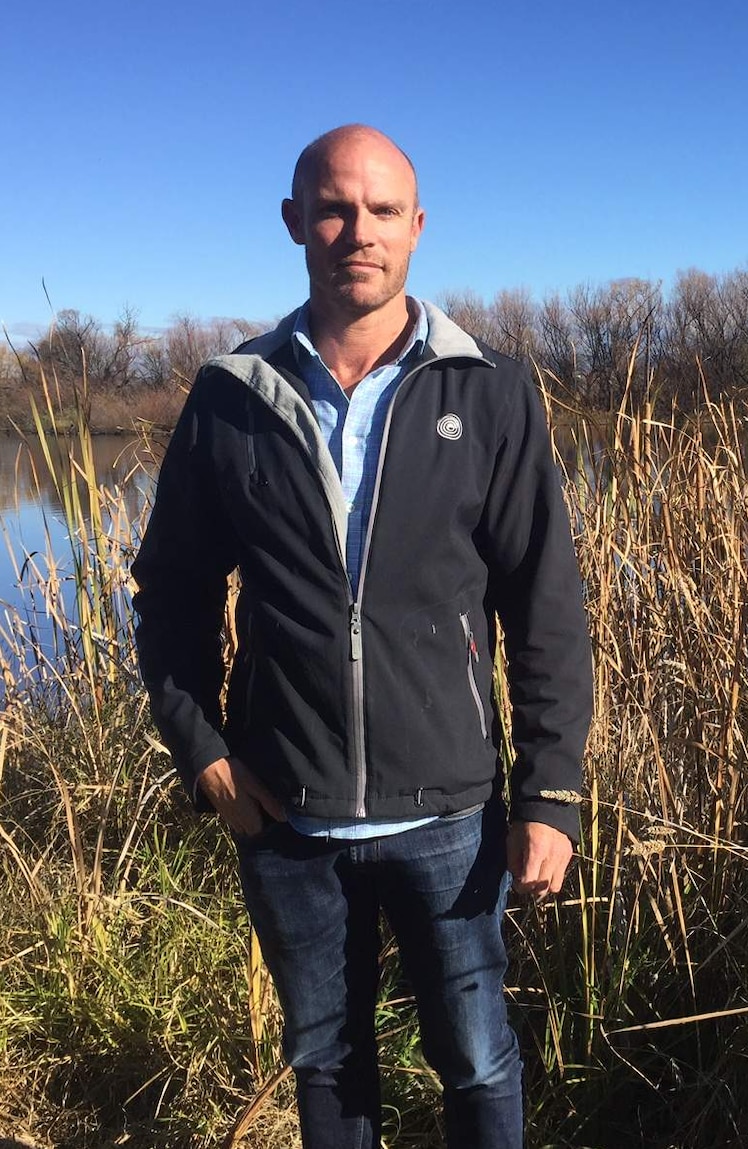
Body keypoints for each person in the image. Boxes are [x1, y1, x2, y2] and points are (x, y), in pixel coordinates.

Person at [132, 124, 593, 1149]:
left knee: (476, 1061)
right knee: (328, 1064)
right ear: (295, 222)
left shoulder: (488, 390)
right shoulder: (230, 396)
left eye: (383, 210)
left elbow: (545, 606)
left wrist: (550, 790)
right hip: (287, 817)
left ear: (417, 228)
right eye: (334, 208)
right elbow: (169, 594)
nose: (358, 231)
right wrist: (202, 751)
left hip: (451, 820)